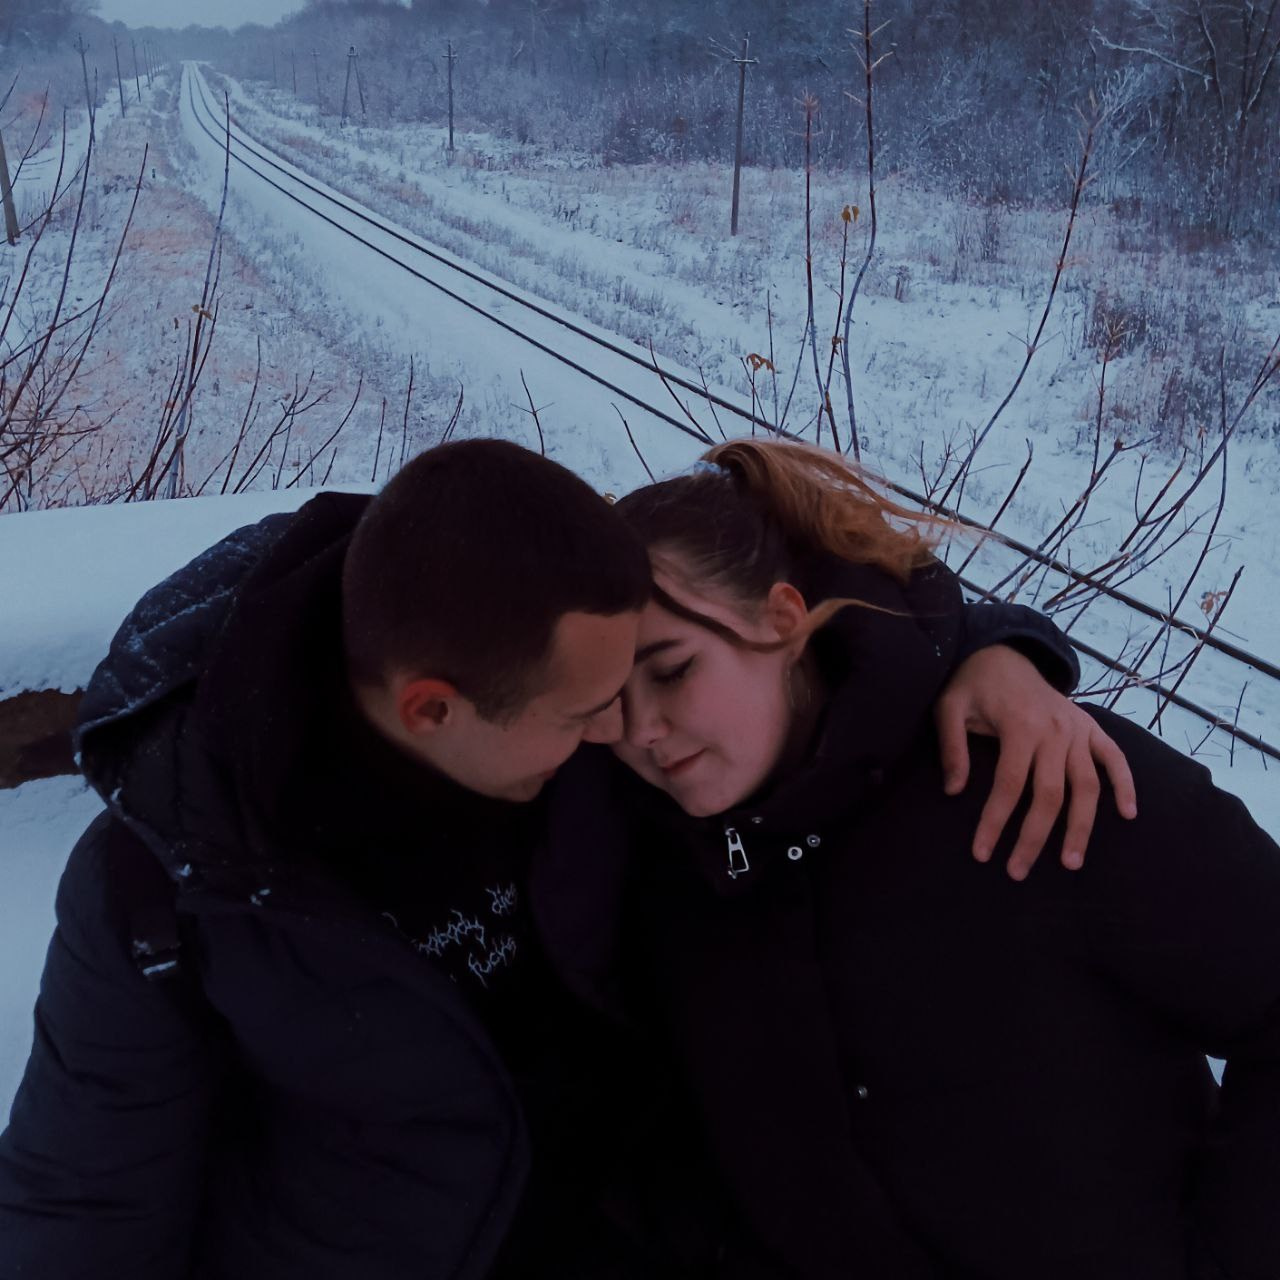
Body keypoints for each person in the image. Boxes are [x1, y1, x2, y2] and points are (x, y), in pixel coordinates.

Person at [0, 438, 1128, 1279]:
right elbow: (83, 1204)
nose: (625, 734)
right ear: (432, 708)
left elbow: (781, 585)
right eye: (586, 712)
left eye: (636, 687)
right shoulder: (169, 884)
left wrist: (992, 653)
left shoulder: (533, 620)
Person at [548, 437, 1280, 1280]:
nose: (641, 731)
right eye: (611, 701)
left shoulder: (1035, 779)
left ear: (782, 621)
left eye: (673, 671)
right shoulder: (647, 864)